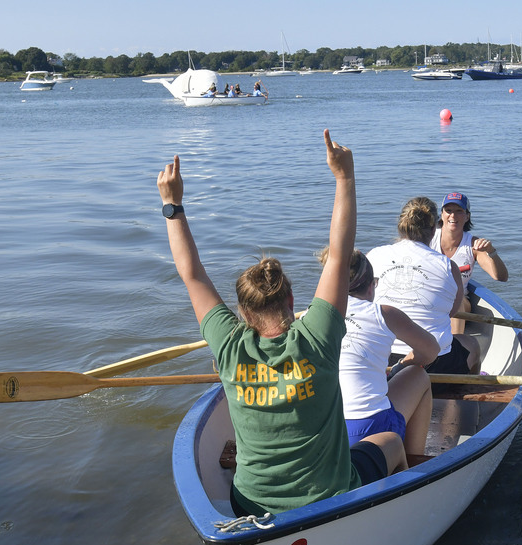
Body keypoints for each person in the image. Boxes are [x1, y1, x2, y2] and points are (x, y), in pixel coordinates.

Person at [157, 130, 408, 516]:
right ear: (293, 302)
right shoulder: (318, 336)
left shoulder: (228, 344)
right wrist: (345, 178)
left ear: (242, 314)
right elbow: (340, 256)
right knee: (390, 440)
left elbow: (192, 275)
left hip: (249, 506)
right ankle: (393, 517)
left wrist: (172, 205)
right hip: (330, 499)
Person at [323, 247, 437, 460]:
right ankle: (413, 461)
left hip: (323, 429)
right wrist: (401, 366)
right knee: (418, 375)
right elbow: (431, 352)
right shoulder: (384, 314)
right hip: (368, 429)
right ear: (370, 286)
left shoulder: (309, 316)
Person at [366, 197, 480, 375]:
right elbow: (451, 312)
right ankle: (462, 397)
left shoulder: (373, 255)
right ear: (434, 228)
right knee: (472, 344)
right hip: (433, 361)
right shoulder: (449, 266)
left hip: (378, 355)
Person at [430, 191, 509, 335]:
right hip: (430, 298)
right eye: (449, 211)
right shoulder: (427, 238)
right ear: (442, 215)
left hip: (459, 302)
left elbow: (501, 277)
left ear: (467, 216)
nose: (453, 216)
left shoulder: (473, 245)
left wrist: (491, 251)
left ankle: (455, 346)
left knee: (456, 299)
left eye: (459, 211)